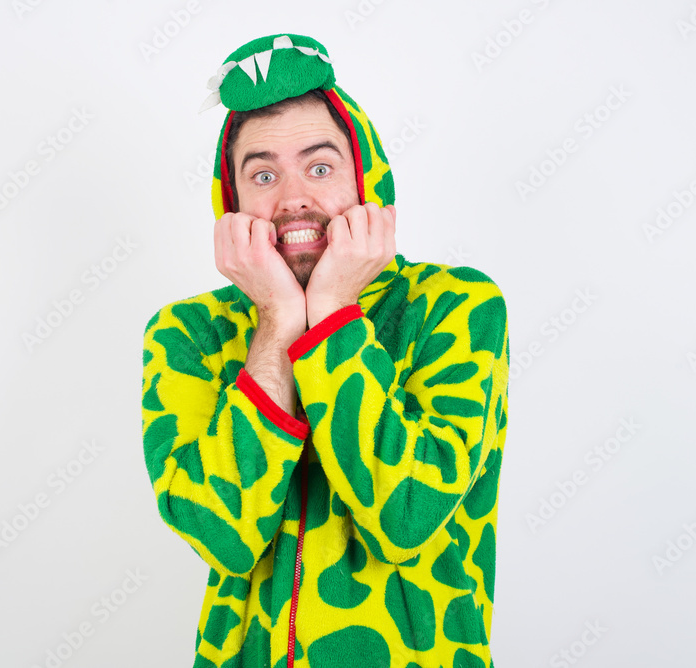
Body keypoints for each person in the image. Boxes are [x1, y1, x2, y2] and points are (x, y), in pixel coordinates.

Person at [142, 33, 510, 668]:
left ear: (365, 174)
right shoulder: (187, 334)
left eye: (320, 166)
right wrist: (279, 325)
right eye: (262, 174)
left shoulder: (455, 305)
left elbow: (406, 516)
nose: (293, 200)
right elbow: (221, 538)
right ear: (230, 203)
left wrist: (334, 313)